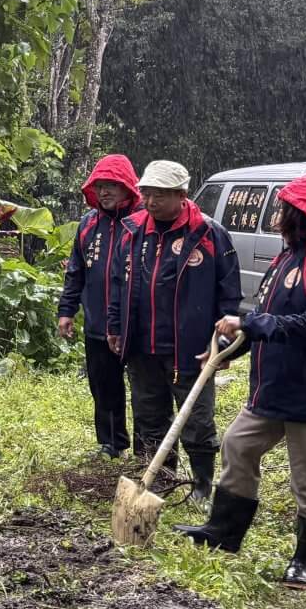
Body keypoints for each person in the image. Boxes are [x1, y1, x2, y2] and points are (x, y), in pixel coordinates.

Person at [181, 172, 306, 588]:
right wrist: (230, 349)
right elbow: (266, 320)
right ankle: (223, 532)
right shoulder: (287, 257)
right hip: (274, 384)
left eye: (286, 210)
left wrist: (250, 322)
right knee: (238, 444)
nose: (279, 217)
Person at [105, 159, 242, 509]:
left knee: (195, 419)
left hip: (191, 348)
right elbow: (119, 283)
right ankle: (159, 482)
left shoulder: (209, 234)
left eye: (159, 196)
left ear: (181, 195)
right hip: (141, 345)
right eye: (146, 194)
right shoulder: (133, 230)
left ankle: (201, 487)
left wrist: (222, 345)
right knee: (149, 417)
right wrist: (115, 327)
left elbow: (230, 298)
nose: (150, 202)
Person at [56, 154, 141, 459]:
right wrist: (66, 311)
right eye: (100, 186)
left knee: (145, 391)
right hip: (97, 322)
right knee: (103, 386)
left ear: (128, 188)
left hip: (138, 324)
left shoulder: (143, 222)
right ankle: (111, 443)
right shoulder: (88, 224)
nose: (104, 192)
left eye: (112, 185)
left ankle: (147, 448)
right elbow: (75, 271)